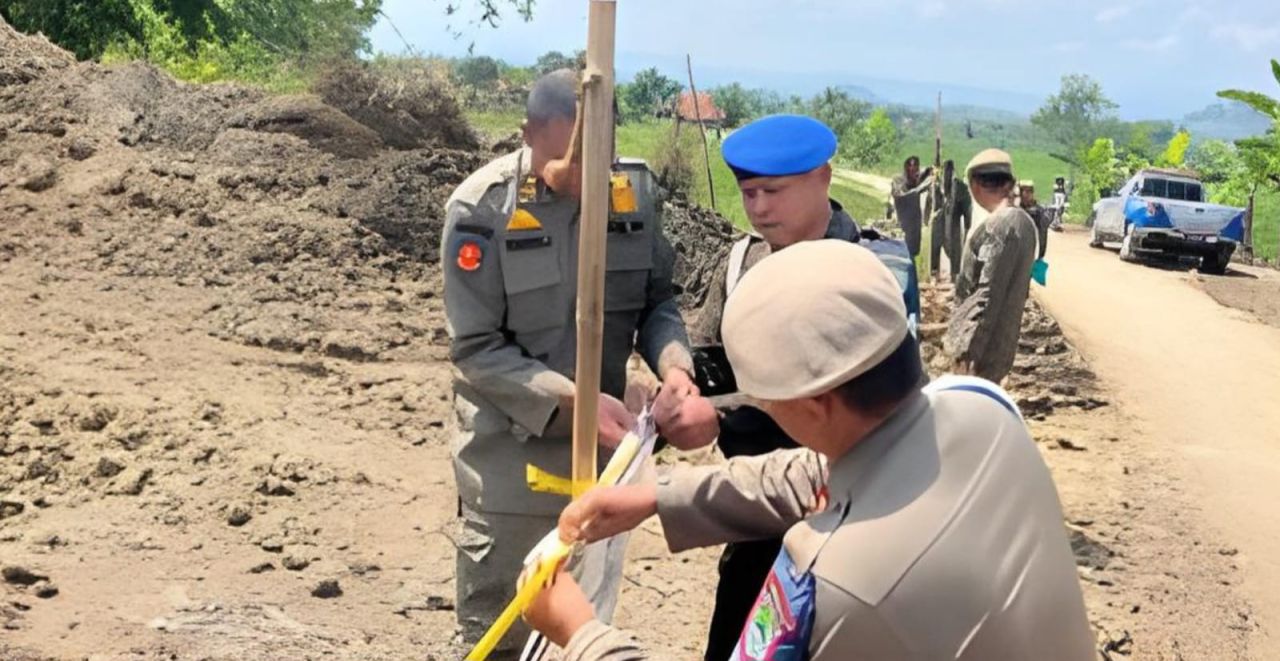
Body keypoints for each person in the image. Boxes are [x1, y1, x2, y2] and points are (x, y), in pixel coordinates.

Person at [522, 239, 1096, 661]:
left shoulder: (832, 588)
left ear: (814, 403)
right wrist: (657, 497)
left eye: (767, 398)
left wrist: (581, 634)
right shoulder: (980, 408)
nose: (765, 409)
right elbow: (816, 472)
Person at [441, 68, 710, 659]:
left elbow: (657, 301)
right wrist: (573, 404)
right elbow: (475, 347)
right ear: (526, 136)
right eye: (563, 164)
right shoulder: (482, 211)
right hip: (513, 471)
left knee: (583, 637)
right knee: (502, 642)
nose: (582, 181)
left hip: (604, 472)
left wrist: (675, 370)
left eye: (597, 161)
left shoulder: (635, 195)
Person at [663, 114, 917, 661]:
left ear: (823, 177)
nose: (758, 208)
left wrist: (724, 414)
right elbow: (712, 362)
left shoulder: (876, 267)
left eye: (772, 192)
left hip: (850, 513)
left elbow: (868, 398)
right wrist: (680, 389)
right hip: (754, 523)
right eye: (748, 193)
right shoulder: (739, 263)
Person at [944, 149, 1038, 384]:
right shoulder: (1023, 222)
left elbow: (986, 296)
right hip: (998, 356)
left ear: (974, 185)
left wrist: (967, 357)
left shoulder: (1000, 227)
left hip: (979, 363)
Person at [890, 155, 934, 258]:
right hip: (903, 223)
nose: (912, 168)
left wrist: (929, 173)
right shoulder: (898, 180)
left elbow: (923, 179)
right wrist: (921, 187)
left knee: (912, 253)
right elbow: (901, 194)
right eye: (910, 165)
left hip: (915, 225)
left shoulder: (917, 180)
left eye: (915, 166)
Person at [941, 159, 973, 282]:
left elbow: (967, 209)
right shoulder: (941, 185)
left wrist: (968, 224)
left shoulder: (960, 187)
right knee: (946, 243)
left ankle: (956, 274)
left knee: (954, 242)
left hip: (955, 220)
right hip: (946, 218)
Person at [1019, 180, 1052, 260]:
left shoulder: (1040, 211)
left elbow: (1045, 223)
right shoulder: (1015, 209)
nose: (1025, 194)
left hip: (1036, 256)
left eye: (1028, 191)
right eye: (1022, 191)